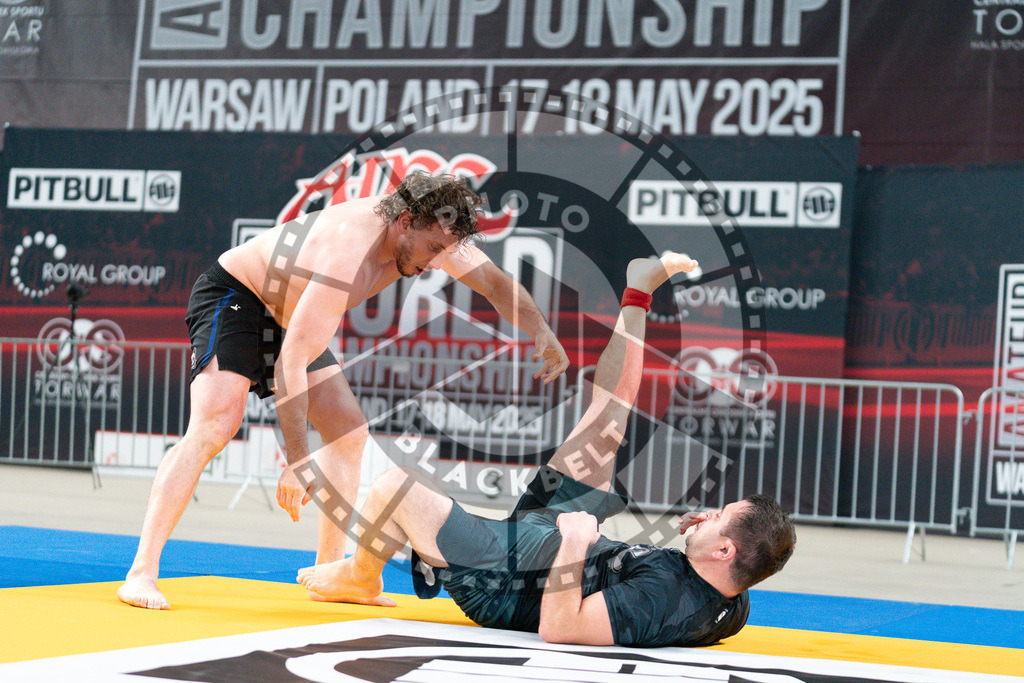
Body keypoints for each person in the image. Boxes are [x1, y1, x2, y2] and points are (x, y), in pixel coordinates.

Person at [118, 171, 570, 610]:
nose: (435, 264)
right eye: (432, 249)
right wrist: (296, 461)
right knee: (216, 424)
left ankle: (332, 574)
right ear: (405, 222)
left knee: (348, 431)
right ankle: (141, 571)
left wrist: (542, 332)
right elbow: (289, 363)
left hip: (289, 316)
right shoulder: (347, 252)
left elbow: (493, 283)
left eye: (444, 252)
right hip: (237, 295)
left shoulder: (432, 233)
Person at [297, 252, 796, 648]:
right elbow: (749, 558)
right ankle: (638, 293)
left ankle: (360, 577)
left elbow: (560, 628)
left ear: (726, 550)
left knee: (392, 488)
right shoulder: (733, 599)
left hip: (507, 577)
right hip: (556, 538)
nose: (704, 516)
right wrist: (706, 538)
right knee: (611, 413)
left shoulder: (661, 600)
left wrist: (577, 541)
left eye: (717, 517)